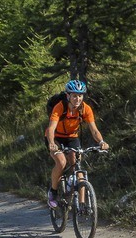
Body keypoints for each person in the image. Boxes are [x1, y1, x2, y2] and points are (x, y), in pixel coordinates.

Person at [45, 78, 107, 209]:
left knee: (78, 167)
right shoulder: (60, 107)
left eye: (80, 96)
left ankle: (82, 205)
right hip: (55, 138)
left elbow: (94, 130)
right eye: (74, 96)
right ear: (68, 96)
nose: (77, 99)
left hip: (72, 138)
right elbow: (51, 128)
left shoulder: (86, 109)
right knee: (61, 162)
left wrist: (101, 142)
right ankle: (53, 192)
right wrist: (51, 143)